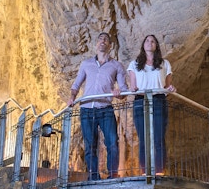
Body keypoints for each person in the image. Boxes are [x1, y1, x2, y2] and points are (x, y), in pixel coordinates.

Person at [68, 32, 128, 180]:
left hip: (106, 108)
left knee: (112, 142)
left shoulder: (116, 66)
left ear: (110, 46)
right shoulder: (86, 64)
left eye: (106, 39)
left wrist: (118, 94)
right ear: (96, 44)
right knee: (90, 145)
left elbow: (124, 89)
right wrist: (72, 98)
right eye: (100, 39)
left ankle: (112, 174)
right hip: (87, 109)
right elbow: (76, 84)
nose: (103, 41)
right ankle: (93, 176)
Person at [127, 34, 176, 175]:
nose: (150, 43)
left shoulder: (164, 64)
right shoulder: (134, 64)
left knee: (159, 137)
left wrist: (171, 89)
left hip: (159, 100)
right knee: (143, 138)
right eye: (147, 41)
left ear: (156, 45)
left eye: (153, 41)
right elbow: (133, 86)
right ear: (143, 44)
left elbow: (167, 85)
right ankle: (145, 171)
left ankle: (159, 171)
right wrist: (132, 89)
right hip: (140, 100)